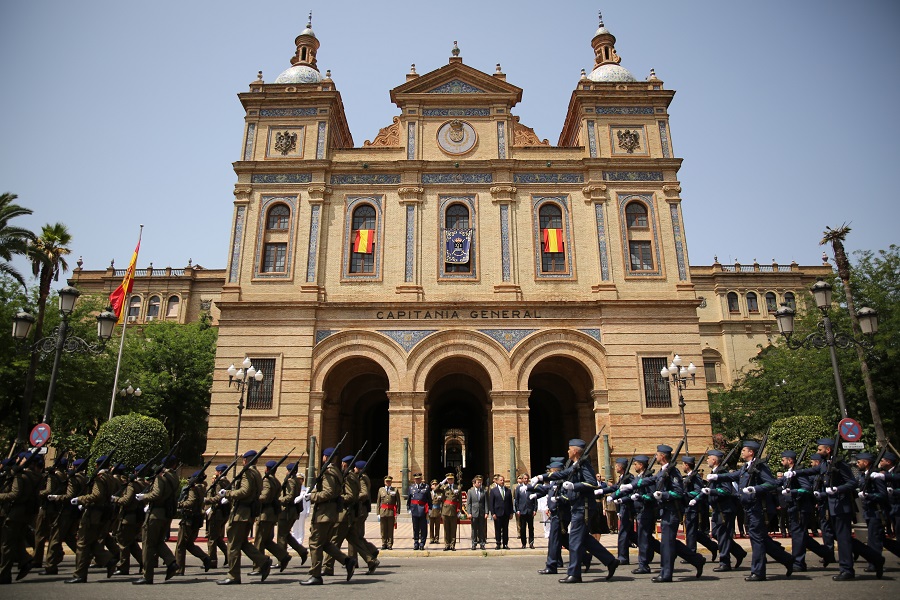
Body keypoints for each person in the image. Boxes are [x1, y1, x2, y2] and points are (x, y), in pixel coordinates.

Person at [536, 439, 619, 583]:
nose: (567, 451)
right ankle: (610, 561)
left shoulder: (584, 465)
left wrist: (575, 486)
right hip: (577, 506)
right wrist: (541, 477)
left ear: (575, 451)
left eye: (569, 449)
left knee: (574, 540)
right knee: (585, 539)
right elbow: (562, 474)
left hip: (583, 507)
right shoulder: (576, 465)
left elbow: (592, 483)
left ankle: (574, 574)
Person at [709, 440, 792, 581]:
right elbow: (734, 475)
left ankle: (758, 572)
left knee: (757, 540)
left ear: (751, 452)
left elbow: (771, 483)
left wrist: (755, 489)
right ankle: (787, 560)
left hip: (757, 508)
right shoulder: (746, 467)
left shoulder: (760, 466)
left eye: (744, 450)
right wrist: (717, 476)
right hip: (748, 508)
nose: (742, 452)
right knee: (761, 539)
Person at [646, 445, 705, 582]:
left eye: (657, 454)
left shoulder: (673, 472)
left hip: (672, 511)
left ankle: (666, 574)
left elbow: (679, 492)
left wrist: (664, 495)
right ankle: (697, 560)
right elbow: (653, 480)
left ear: (663, 456)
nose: (655, 456)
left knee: (666, 544)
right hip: (665, 511)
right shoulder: (663, 471)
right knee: (669, 542)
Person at [300, 447, 355, 586]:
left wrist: (312, 496)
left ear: (325, 457)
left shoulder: (329, 472)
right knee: (324, 543)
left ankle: (315, 575)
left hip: (324, 513)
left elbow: (328, 492)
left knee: (315, 543)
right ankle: (347, 561)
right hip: (329, 512)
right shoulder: (335, 471)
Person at [217, 450, 272, 585]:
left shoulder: (247, 473)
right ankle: (263, 561)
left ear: (246, 460)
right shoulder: (257, 473)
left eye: (243, 459)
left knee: (233, 545)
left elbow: (244, 491)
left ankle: (233, 576)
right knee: (242, 543)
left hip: (241, 513)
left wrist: (228, 493)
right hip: (248, 513)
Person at [778, 450, 833, 571]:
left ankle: (798, 563)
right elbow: (778, 483)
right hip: (793, 507)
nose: (781, 462)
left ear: (790, 460)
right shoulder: (789, 473)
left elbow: (807, 488)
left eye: (783, 460)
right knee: (801, 536)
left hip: (800, 508)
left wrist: (792, 492)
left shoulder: (798, 472)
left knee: (798, 536)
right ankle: (825, 552)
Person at [66, 456, 117, 584]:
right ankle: (108, 560)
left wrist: (80, 499)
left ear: (97, 465)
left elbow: (97, 495)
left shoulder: (100, 478)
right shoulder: (110, 477)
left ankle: (80, 574)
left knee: (82, 544)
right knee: (92, 542)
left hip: (92, 514)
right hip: (102, 514)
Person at [133, 456, 180, 585]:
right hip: (166, 513)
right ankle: (171, 562)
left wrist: (144, 497)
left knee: (148, 544)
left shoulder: (161, 477)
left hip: (155, 514)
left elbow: (156, 494)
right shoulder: (174, 477)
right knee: (158, 541)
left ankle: (147, 576)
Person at [615, 455, 661, 574]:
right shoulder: (637, 477)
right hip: (639, 510)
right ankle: (651, 558)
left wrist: (639, 497)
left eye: (635, 464)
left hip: (645, 510)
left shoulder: (646, 478)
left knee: (643, 537)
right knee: (642, 537)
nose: (634, 466)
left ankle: (644, 563)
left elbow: (652, 495)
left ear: (641, 465)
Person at [0, 451, 40, 584]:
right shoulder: (36, 476)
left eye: (20, 459)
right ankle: (25, 560)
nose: (18, 460)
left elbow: (15, 494)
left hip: (14, 513)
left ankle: (4, 574)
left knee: (7, 544)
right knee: (17, 540)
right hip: (27, 513)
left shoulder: (20, 476)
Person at [682, 456, 718, 559]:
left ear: (687, 465)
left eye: (683, 464)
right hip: (688, 506)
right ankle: (712, 546)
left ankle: (691, 554)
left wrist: (687, 494)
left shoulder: (695, 476)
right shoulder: (689, 476)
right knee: (693, 531)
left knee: (691, 532)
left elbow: (698, 491)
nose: (682, 466)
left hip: (693, 507)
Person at [112, 464, 146, 575]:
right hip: (137, 517)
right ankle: (143, 563)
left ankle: (123, 567)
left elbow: (127, 500)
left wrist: (115, 499)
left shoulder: (132, 485)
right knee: (131, 543)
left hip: (128, 517)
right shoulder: (142, 485)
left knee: (123, 543)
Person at [175, 470, 211, 575]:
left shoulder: (193, 489)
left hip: (189, 519)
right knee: (189, 544)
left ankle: (179, 569)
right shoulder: (202, 488)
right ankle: (205, 558)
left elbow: (191, 501)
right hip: (196, 518)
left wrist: (179, 504)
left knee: (181, 545)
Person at [277, 462, 309, 564]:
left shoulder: (291, 481)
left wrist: (279, 501)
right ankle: (302, 551)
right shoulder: (297, 481)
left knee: (281, 536)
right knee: (286, 534)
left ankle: (282, 558)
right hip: (292, 511)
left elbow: (290, 496)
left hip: (287, 511)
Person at [204, 464, 230, 569]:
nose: (215, 473)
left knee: (212, 538)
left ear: (219, 472)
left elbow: (217, 497)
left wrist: (206, 500)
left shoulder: (219, 483)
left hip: (216, 513)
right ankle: (228, 555)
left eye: (216, 471)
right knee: (217, 537)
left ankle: (212, 561)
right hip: (223, 513)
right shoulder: (227, 482)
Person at [438, 472, 462, 551]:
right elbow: (435, 490)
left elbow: (460, 500)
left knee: (453, 529)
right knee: (446, 529)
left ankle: (452, 545)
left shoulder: (457, 487)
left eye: (451, 479)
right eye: (448, 479)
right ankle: (446, 544)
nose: (450, 480)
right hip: (445, 510)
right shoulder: (444, 487)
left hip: (454, 510)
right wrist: (442, 483)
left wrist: (460, 510)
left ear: (453, 479)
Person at [407, 472, 431, 550]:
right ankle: (416, 542)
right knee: (415, 527)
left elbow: (429, 499)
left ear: (421, 479)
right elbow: (409, 499)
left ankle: (422, 543)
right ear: (414, 480)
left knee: (423, 528)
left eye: (419, 479)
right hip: (414, 509)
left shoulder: (426, 487)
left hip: (423, 509)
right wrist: (409, 508)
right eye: (416, 479)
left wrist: (430, 509)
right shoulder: (411, 487)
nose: (417, 480)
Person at [489, 474, 513, 550]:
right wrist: (493, 513)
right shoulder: (493, 491)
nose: (502, 481)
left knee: (505, 529)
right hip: (497, 513)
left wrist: (511, 512)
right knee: (498, 529)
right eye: (501, 480)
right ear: (497, 481)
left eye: (503, 480)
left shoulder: (508, 490)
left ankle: (505, 544)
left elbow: (510, 502)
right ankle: (498, 543)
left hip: (506, 513)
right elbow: (491, 503)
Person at [377, 475, 400, 549]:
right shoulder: (381, 490)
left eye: (389, 481)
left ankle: (389, 544)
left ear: (391, 482)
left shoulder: (395, 490)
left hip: (391, 511)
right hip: (383, 511)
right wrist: (378, 513)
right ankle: (384, 543)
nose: (388, 483)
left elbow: (398, 502)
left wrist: (397, 512)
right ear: (384, 482)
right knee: (383, 529)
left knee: (390, 529)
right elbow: (378, 502)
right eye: (386, 481)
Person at [514, 473, 536, 549]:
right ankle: (523, 543)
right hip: (522, 510)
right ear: (522, 479)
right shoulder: (518, 488)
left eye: (527, 478)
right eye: (524, 478)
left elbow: (535, 499)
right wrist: (517, 509)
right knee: (523, 528)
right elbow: (516, 500)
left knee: (531, 528)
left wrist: (535, 509)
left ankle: (531, 543)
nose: (526, 480)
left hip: (530, 510)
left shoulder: (531, 487)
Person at [467, 475, 488, 550]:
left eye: (480, 482)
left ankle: (482, 543)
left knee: (481, 528)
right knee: (474, 529)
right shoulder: (470, 491)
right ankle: (474, 543)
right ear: (474, 483)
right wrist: (469, 513)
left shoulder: (484, 491)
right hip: (474, 513)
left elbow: (486, 502)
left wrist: (486, 512)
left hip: (482, 512)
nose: (480, 484)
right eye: (478, 482)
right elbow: (469, 503)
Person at [291, 473, 310, 545]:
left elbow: (308, 501)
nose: (299, 481)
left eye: (300, 479)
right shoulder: (294, 488)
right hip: (295, 510)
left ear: (303, 480)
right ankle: (294, 542)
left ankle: (300, 542)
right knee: (294, 527)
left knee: (301, 527)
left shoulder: (306, 490)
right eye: (298, 479)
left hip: (302, 510)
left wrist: (308, 510)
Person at [428, 479, 443, 543]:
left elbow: (442, 502)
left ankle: (436, 538)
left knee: (437, 526)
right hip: (431, 511)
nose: (435, 485)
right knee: (431, 526)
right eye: (433, 484)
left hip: (437, 511)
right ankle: (431, 538)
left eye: (436, 484)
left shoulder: (439, 493)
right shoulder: (429, 493)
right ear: (431, 486)